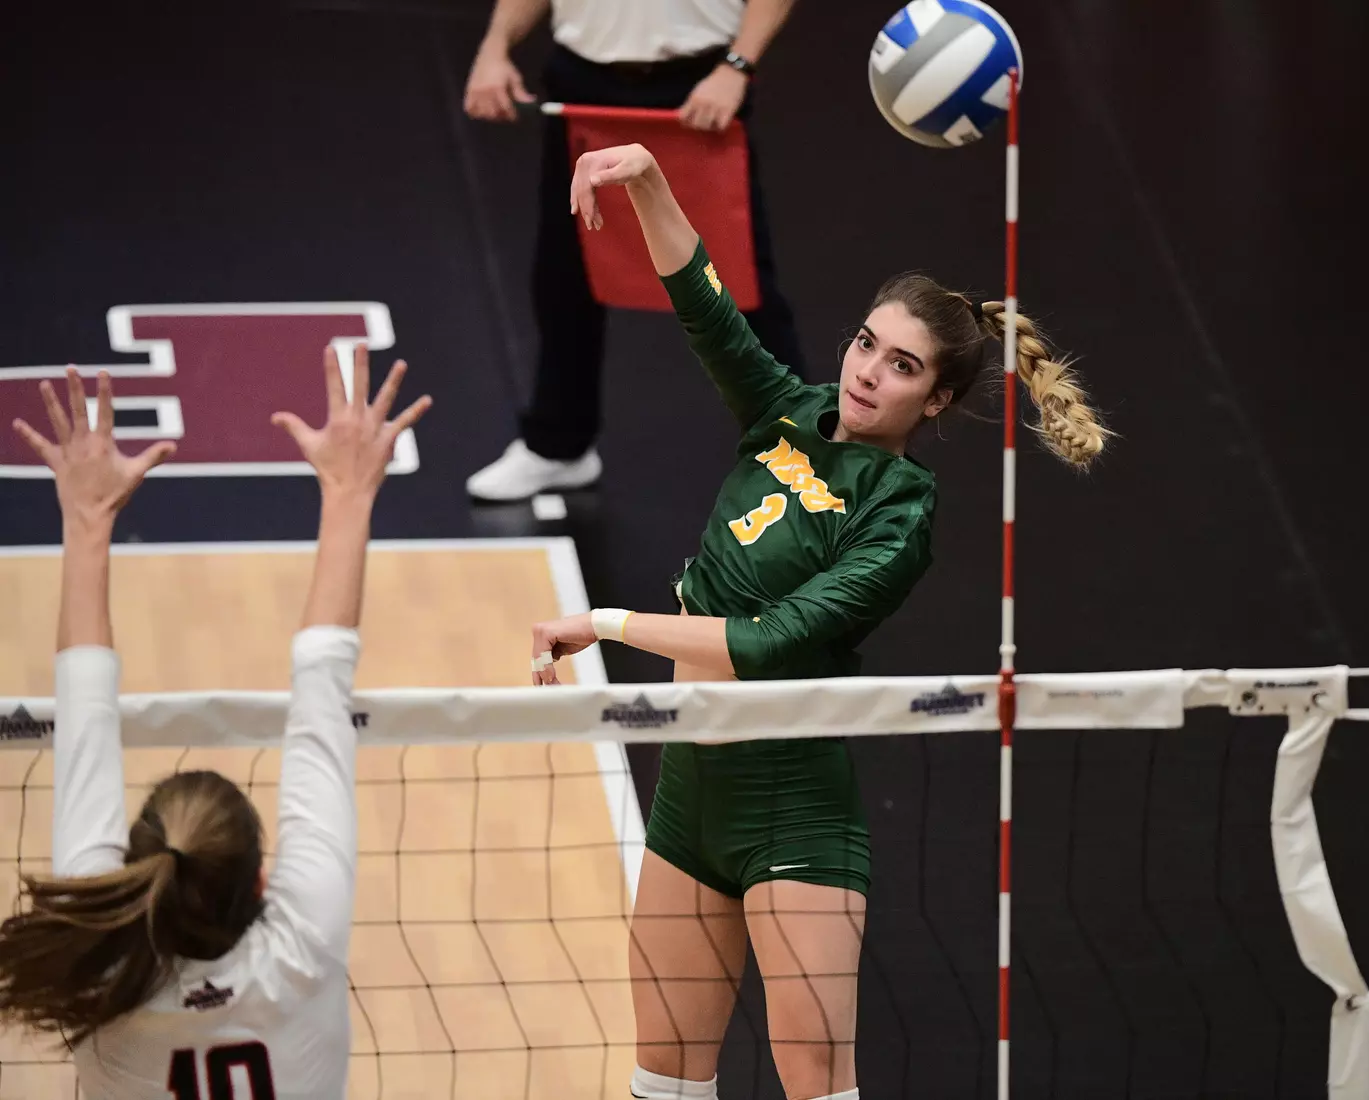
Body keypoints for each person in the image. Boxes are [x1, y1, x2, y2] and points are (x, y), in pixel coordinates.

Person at [527, 143, 1109, 1100]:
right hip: (690, 795)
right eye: (865, 343)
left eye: (904, 365)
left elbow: (769, 645)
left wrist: (608, 620)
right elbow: (704, 305)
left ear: (940, 399)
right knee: (663, 1079)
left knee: (813, 1082)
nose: (870, 373)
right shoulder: (787, 413)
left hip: (793, 812)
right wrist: (648, 180)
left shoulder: (900, 509)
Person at [0, 349, 430, 1096]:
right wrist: (348, 491)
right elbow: (322, 684)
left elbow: (82, 712)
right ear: (264, 878)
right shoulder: (304, 946)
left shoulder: (102, 965)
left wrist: (88, 519)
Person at [462, 0, 807, 501]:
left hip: (698, 87)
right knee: (565, 278)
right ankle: (559, 447)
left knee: (738, 288)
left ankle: (804, 458)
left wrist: (737, 65)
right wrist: (494, 46)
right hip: (582, 85)